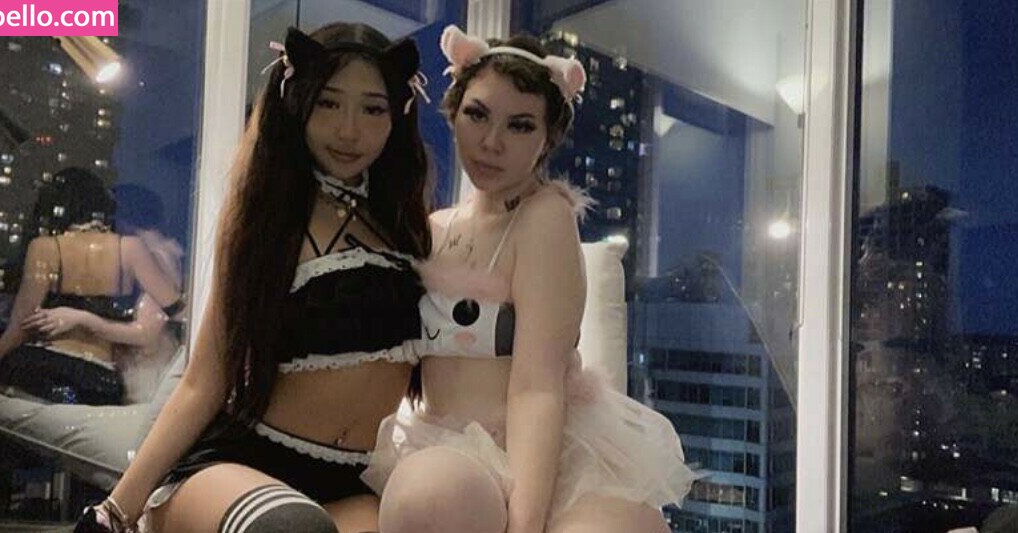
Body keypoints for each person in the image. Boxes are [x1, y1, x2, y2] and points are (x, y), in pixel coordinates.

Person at [74, 22, 432, 533]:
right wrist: (114, 511)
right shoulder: (268, 220)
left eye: (372, 108)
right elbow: (204, 380)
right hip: (240, 466)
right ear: (297, 102)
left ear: (398, 114)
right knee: (292, 528)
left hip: (346, 481)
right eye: (328, 103)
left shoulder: (407, 228)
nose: (349, 129)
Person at [363, 26, 696, 533]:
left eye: (520, 126)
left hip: (536, 456)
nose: (491, 142)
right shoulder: (434, 227)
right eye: (477, 115)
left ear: (547, 138)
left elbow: (537, 388)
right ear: (453, 113)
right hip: (444, 452)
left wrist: (525, 523)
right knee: (428, 493)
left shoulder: (544, 217)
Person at [0, 167, 183, 406]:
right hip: (100, 380)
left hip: (46, 367)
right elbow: (177, 309)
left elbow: (19, 328)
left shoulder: (45, 248)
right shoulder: (131, 248)